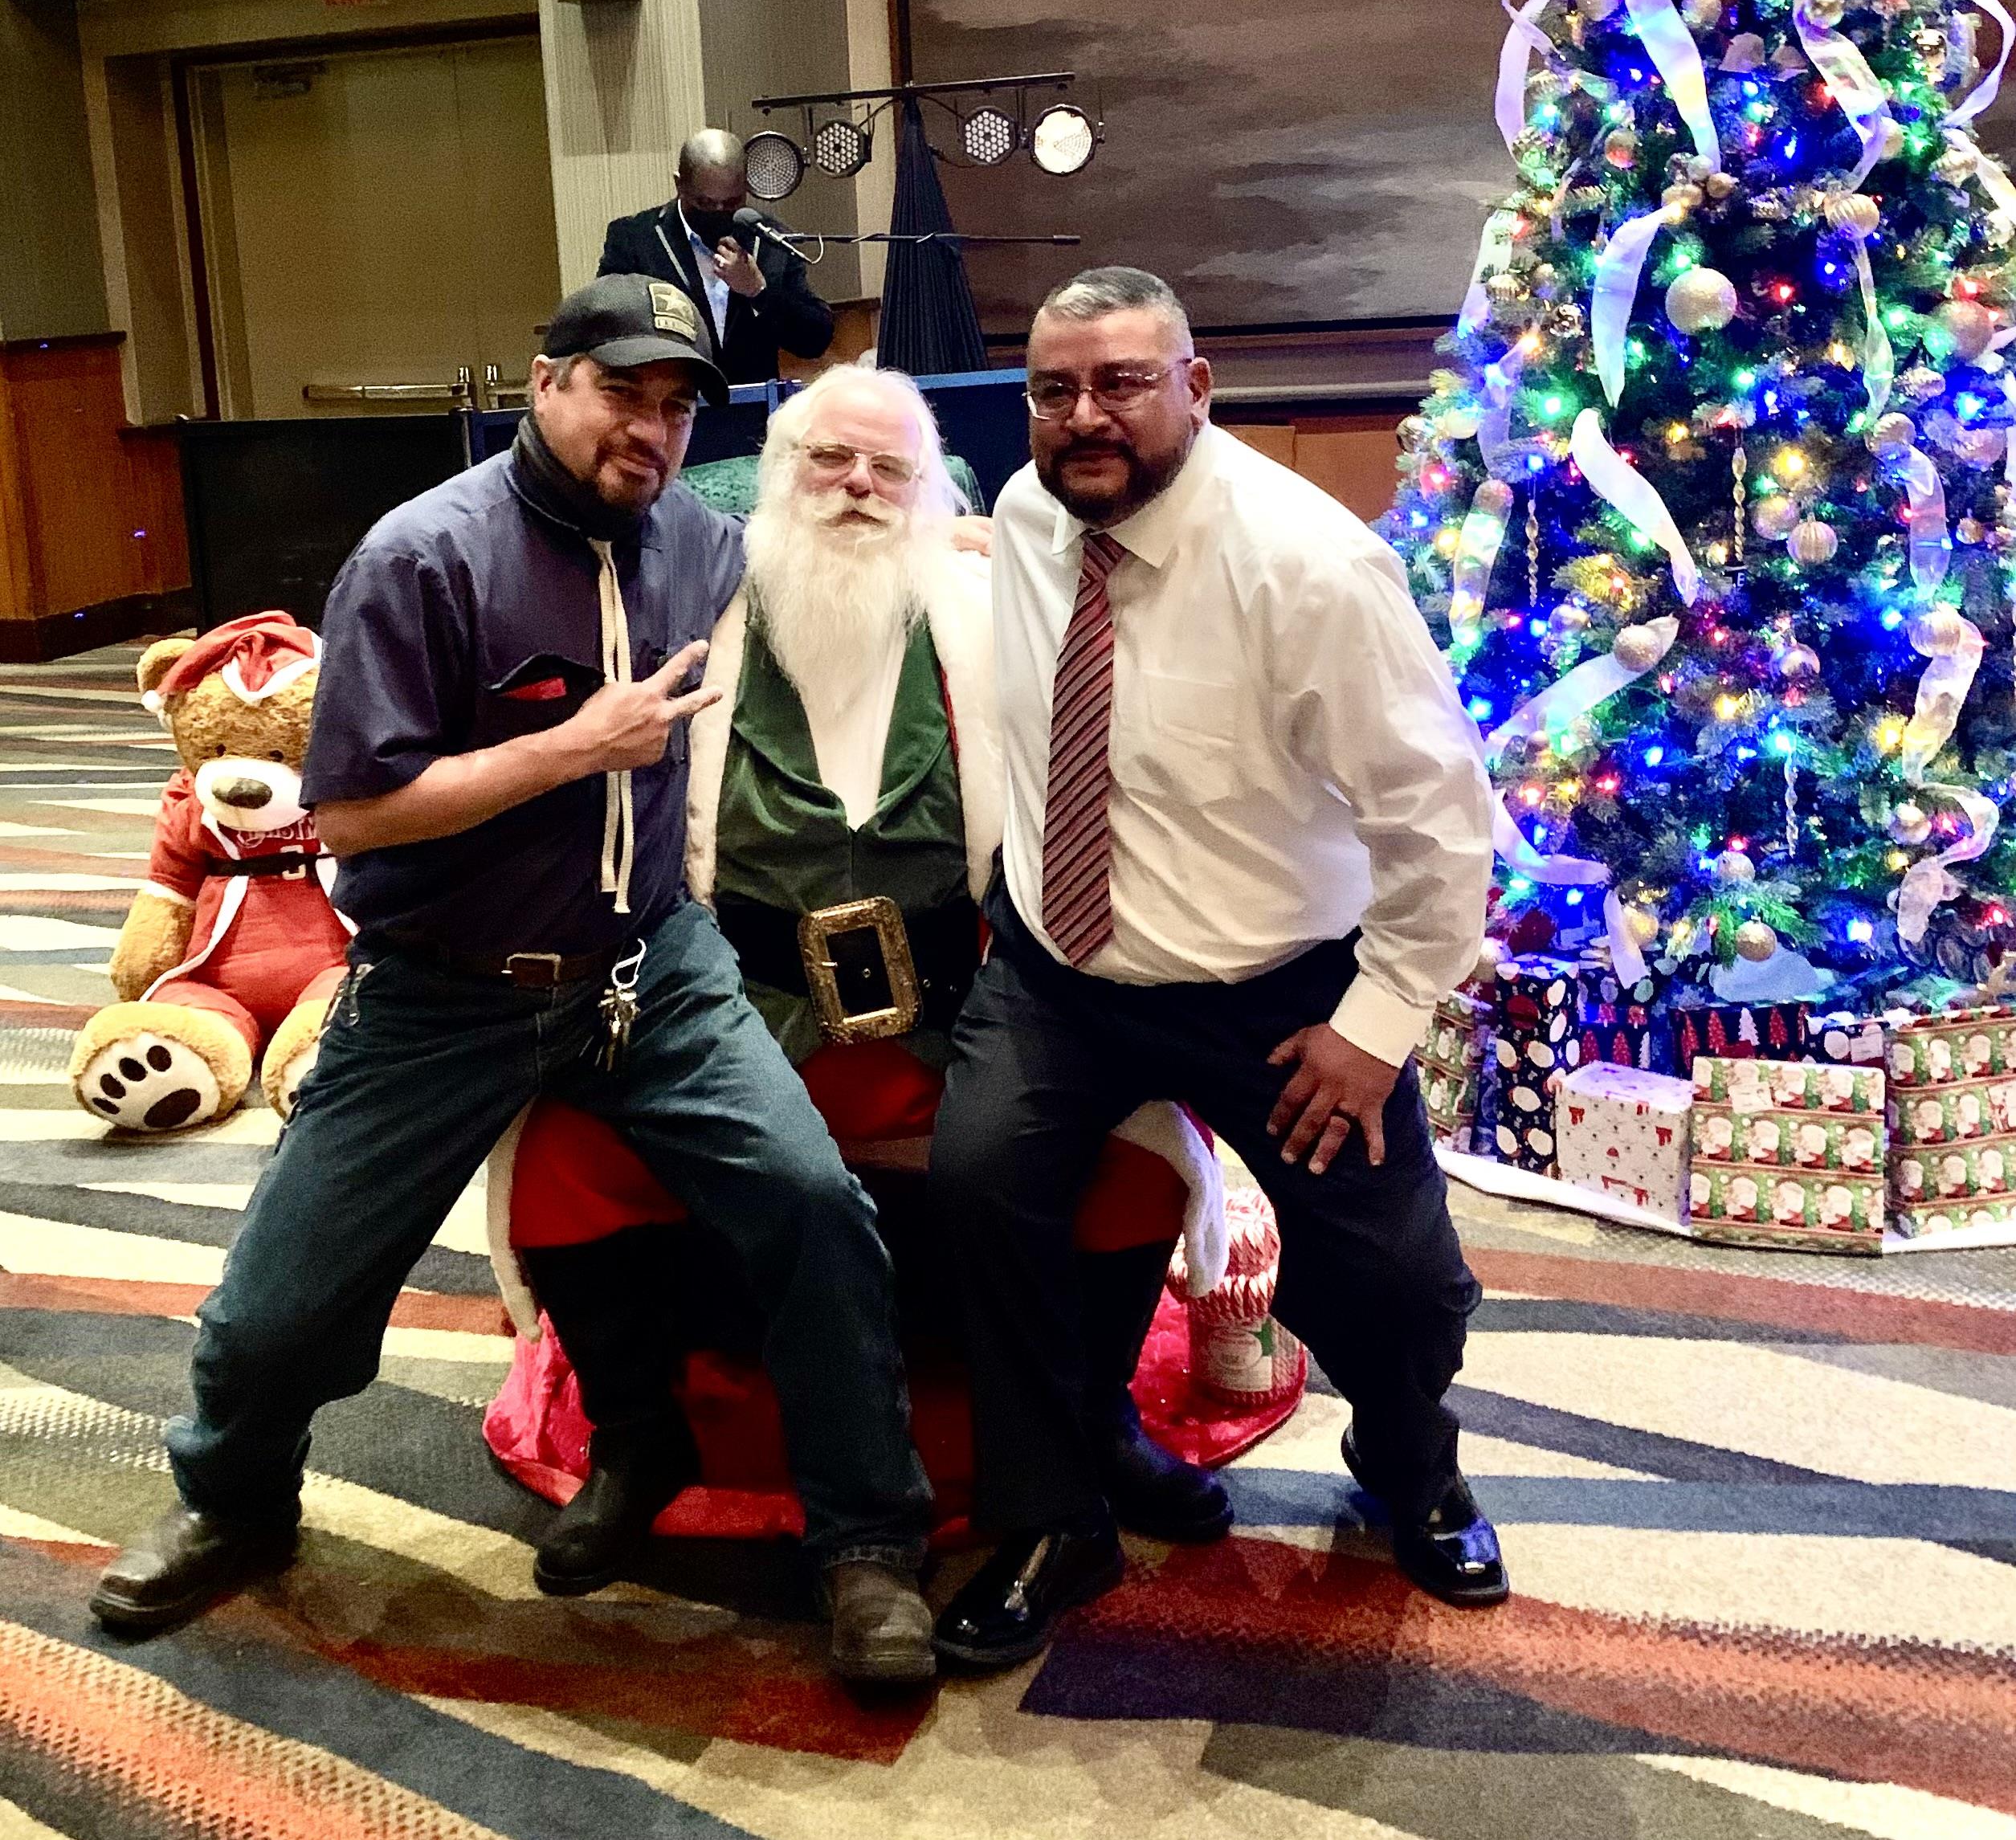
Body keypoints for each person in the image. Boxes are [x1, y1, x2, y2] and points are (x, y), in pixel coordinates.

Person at [88, 275, 937, 1687]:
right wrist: (568, 749)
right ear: (548, 383)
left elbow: (838, 522)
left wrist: (943, 533)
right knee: (275, 1313)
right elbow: (350, 817)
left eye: (676, 407)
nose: (651, 430)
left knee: (812, 1209)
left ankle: (869, 1546)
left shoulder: (699, 546)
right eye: (623, 392)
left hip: (651, 972)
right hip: (442, 990)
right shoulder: (421, 559)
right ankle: (233, 1502)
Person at [504, 365, 1230, 1591]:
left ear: (931, 484)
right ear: (771, 476)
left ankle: (1094, 1420)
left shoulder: (993, 601)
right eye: (826, 461)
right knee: (567, 1145)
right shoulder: (693, 605)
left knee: (1132, 1146)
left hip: (957, 1004)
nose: (856, 488)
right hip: (735, 1004)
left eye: (888, 467)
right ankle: (639, 1444)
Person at [928, 266, 1504, 1671]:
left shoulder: (1309, 566)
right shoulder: (1023, 517)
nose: (1083, 417)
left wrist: (1375, 1027)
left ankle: (1412, 1456)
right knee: (979, 1180)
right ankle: (1055, 1516)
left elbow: (1439, 817)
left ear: (1196, 385)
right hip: (1062, 973)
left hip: (1277, 990)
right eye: (1054, 390)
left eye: (1122, 380)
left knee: (1395, 1279)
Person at [598, 128, 834, 384]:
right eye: (706, 204)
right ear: (680, 185)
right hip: (667, 404)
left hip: (751, 410)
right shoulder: (635, 239)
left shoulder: (770, 239)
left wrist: (758, 291)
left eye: (732, 203)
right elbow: (607, 328)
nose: (719, 212)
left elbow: (814, 339)